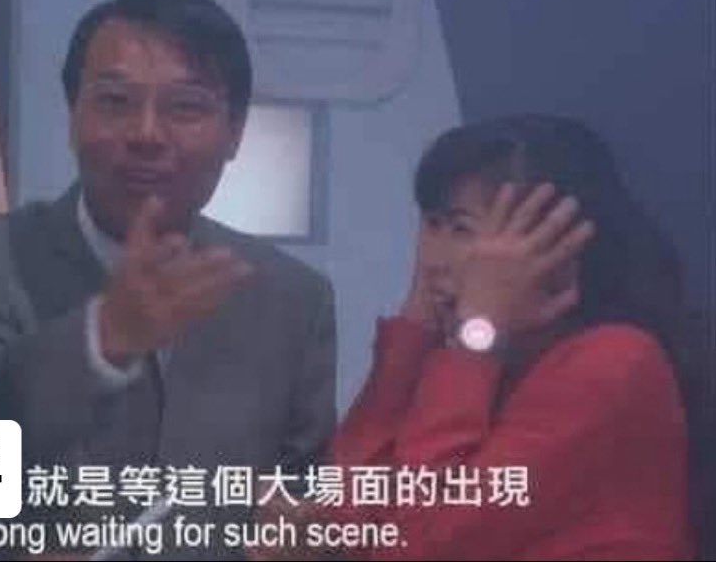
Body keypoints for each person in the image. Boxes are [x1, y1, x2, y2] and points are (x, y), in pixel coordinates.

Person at [0, 0, 336, 558]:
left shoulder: (290, 298)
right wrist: (101, 342)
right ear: (72, 115)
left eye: (185, 107)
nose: (146, 134)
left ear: (235, 134)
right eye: (114, 101)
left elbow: (305, 502)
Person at [252, 114, 695, 560]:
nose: (433, 260)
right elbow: (345, 512)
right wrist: (415, 327)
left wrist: (474, 338)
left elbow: (417, 545)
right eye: (433, 224)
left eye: (461, 228)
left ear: (553, 241)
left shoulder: (612, 361)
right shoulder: (474, 361)